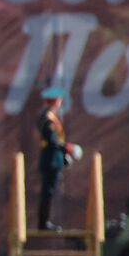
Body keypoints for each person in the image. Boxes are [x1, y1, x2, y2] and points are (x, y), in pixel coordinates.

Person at [35, 86, 81, 232]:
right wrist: (68, 148)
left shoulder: (52, 117)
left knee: (50, 191)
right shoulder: (48, 118)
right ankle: (44, 223)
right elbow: (52, 141)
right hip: (50, 161)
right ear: (56, 101)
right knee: (48, 191)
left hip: (54, 159)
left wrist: (64, 154)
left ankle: (45, 222)